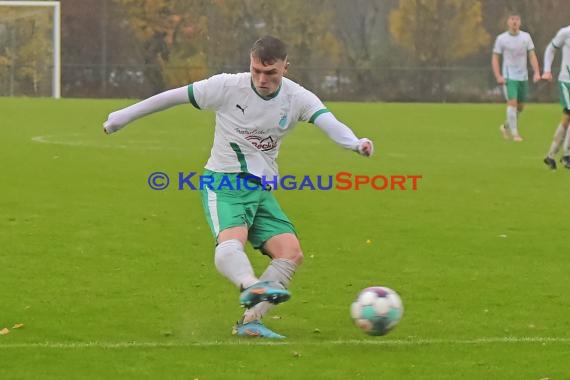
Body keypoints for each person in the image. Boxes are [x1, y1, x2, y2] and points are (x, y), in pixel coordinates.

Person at [102, 36, 374, 338]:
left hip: (260, 190)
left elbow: (328, 120)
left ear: (285, 67)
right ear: (250, 63)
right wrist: (122, 116)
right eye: (256, 70)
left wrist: (355, 143)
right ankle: (249, 284)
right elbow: (173, 96)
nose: (262, 79)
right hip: (224, 181)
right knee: (231, 241)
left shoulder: (297, 98)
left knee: (290, 252)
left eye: (270, 73)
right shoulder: (228, 87)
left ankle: (250, 321)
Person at [491, 12, 541, 142]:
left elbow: (531, 55)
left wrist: (536, 72)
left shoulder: (526, 37)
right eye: (512, 19)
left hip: (522, 76)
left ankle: (505, 126)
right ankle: (515, 134)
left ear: (520, 22)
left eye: (517, 19)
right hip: (509, 76)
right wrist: (498, 76)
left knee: (520, 107)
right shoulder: (501, 39)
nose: (514, 22)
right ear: (508, 22)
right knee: (512, 103)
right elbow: (495, 58)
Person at [542, 25, 570, 170]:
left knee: (566, 120)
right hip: (567, 81)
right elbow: (550, 49)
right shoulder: (566, 32)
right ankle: (567, 155)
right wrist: (547, 70)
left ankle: (550, 156)